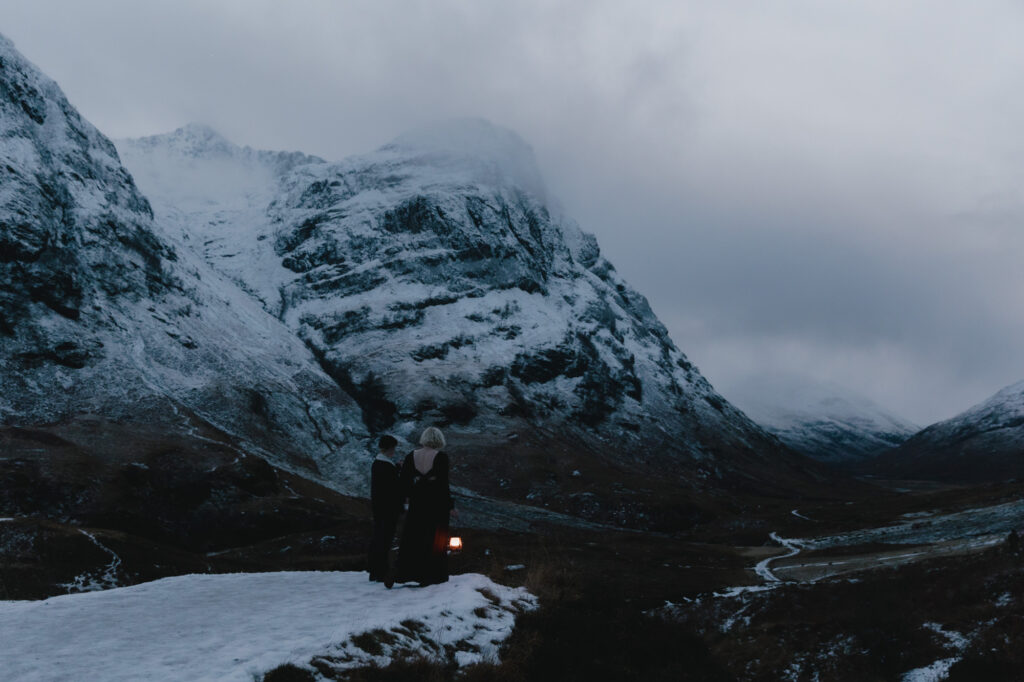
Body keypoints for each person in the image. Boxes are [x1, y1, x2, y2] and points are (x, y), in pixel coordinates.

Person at [393, 426, 455, 587]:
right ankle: (432, 574)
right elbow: (443, 484)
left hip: (417, 498)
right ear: (439, 439)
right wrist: (450, 505)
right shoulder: (441, 457)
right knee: (435, 536)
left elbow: (404, 480)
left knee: (414, 534)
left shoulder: (411, 455)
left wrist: (406, 498)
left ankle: (406, 572)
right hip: (435, 500)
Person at [367, 435, 402, 582]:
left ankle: (375, 570)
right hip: (388, 508)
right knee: (385, 538)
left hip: (379, 506)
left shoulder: (378, 463)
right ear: (390, 448)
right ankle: (381, 571)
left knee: (378, 537)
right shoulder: (386, 466)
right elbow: (394, 487)